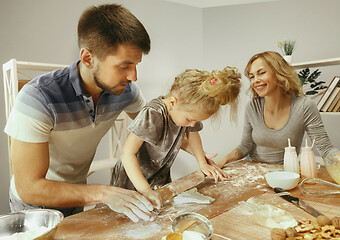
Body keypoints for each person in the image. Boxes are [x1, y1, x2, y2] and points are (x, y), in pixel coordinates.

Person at [4, 4, 157, 222]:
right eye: (124, 66)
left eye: (136, 64)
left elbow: (156, 126)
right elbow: (29, 187)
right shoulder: (38, 97)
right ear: (87, 58)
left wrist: (198, 152)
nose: (134, 76)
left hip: (77, 194)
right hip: (34, 203)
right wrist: (104, 193)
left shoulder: (127, 91)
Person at [110, 66, 241, 206]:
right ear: (172, 102)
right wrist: (145, 190)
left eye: (197, 121)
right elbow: (127, 153)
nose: (192, 124)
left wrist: (202, 161)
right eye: (190, 119)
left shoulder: (185, 112)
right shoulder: (153, 113)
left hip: (159, 177)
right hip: (132, 179)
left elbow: (193, 135)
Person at [217, 51, 340, 168]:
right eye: (252, 76)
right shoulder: (253, 107)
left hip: (286, 172)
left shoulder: (304, 106)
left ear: (279, 73)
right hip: (253, 171)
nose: (255, 80)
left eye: (261, 73)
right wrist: (220, 162)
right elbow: (245, 146)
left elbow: (326, 149)